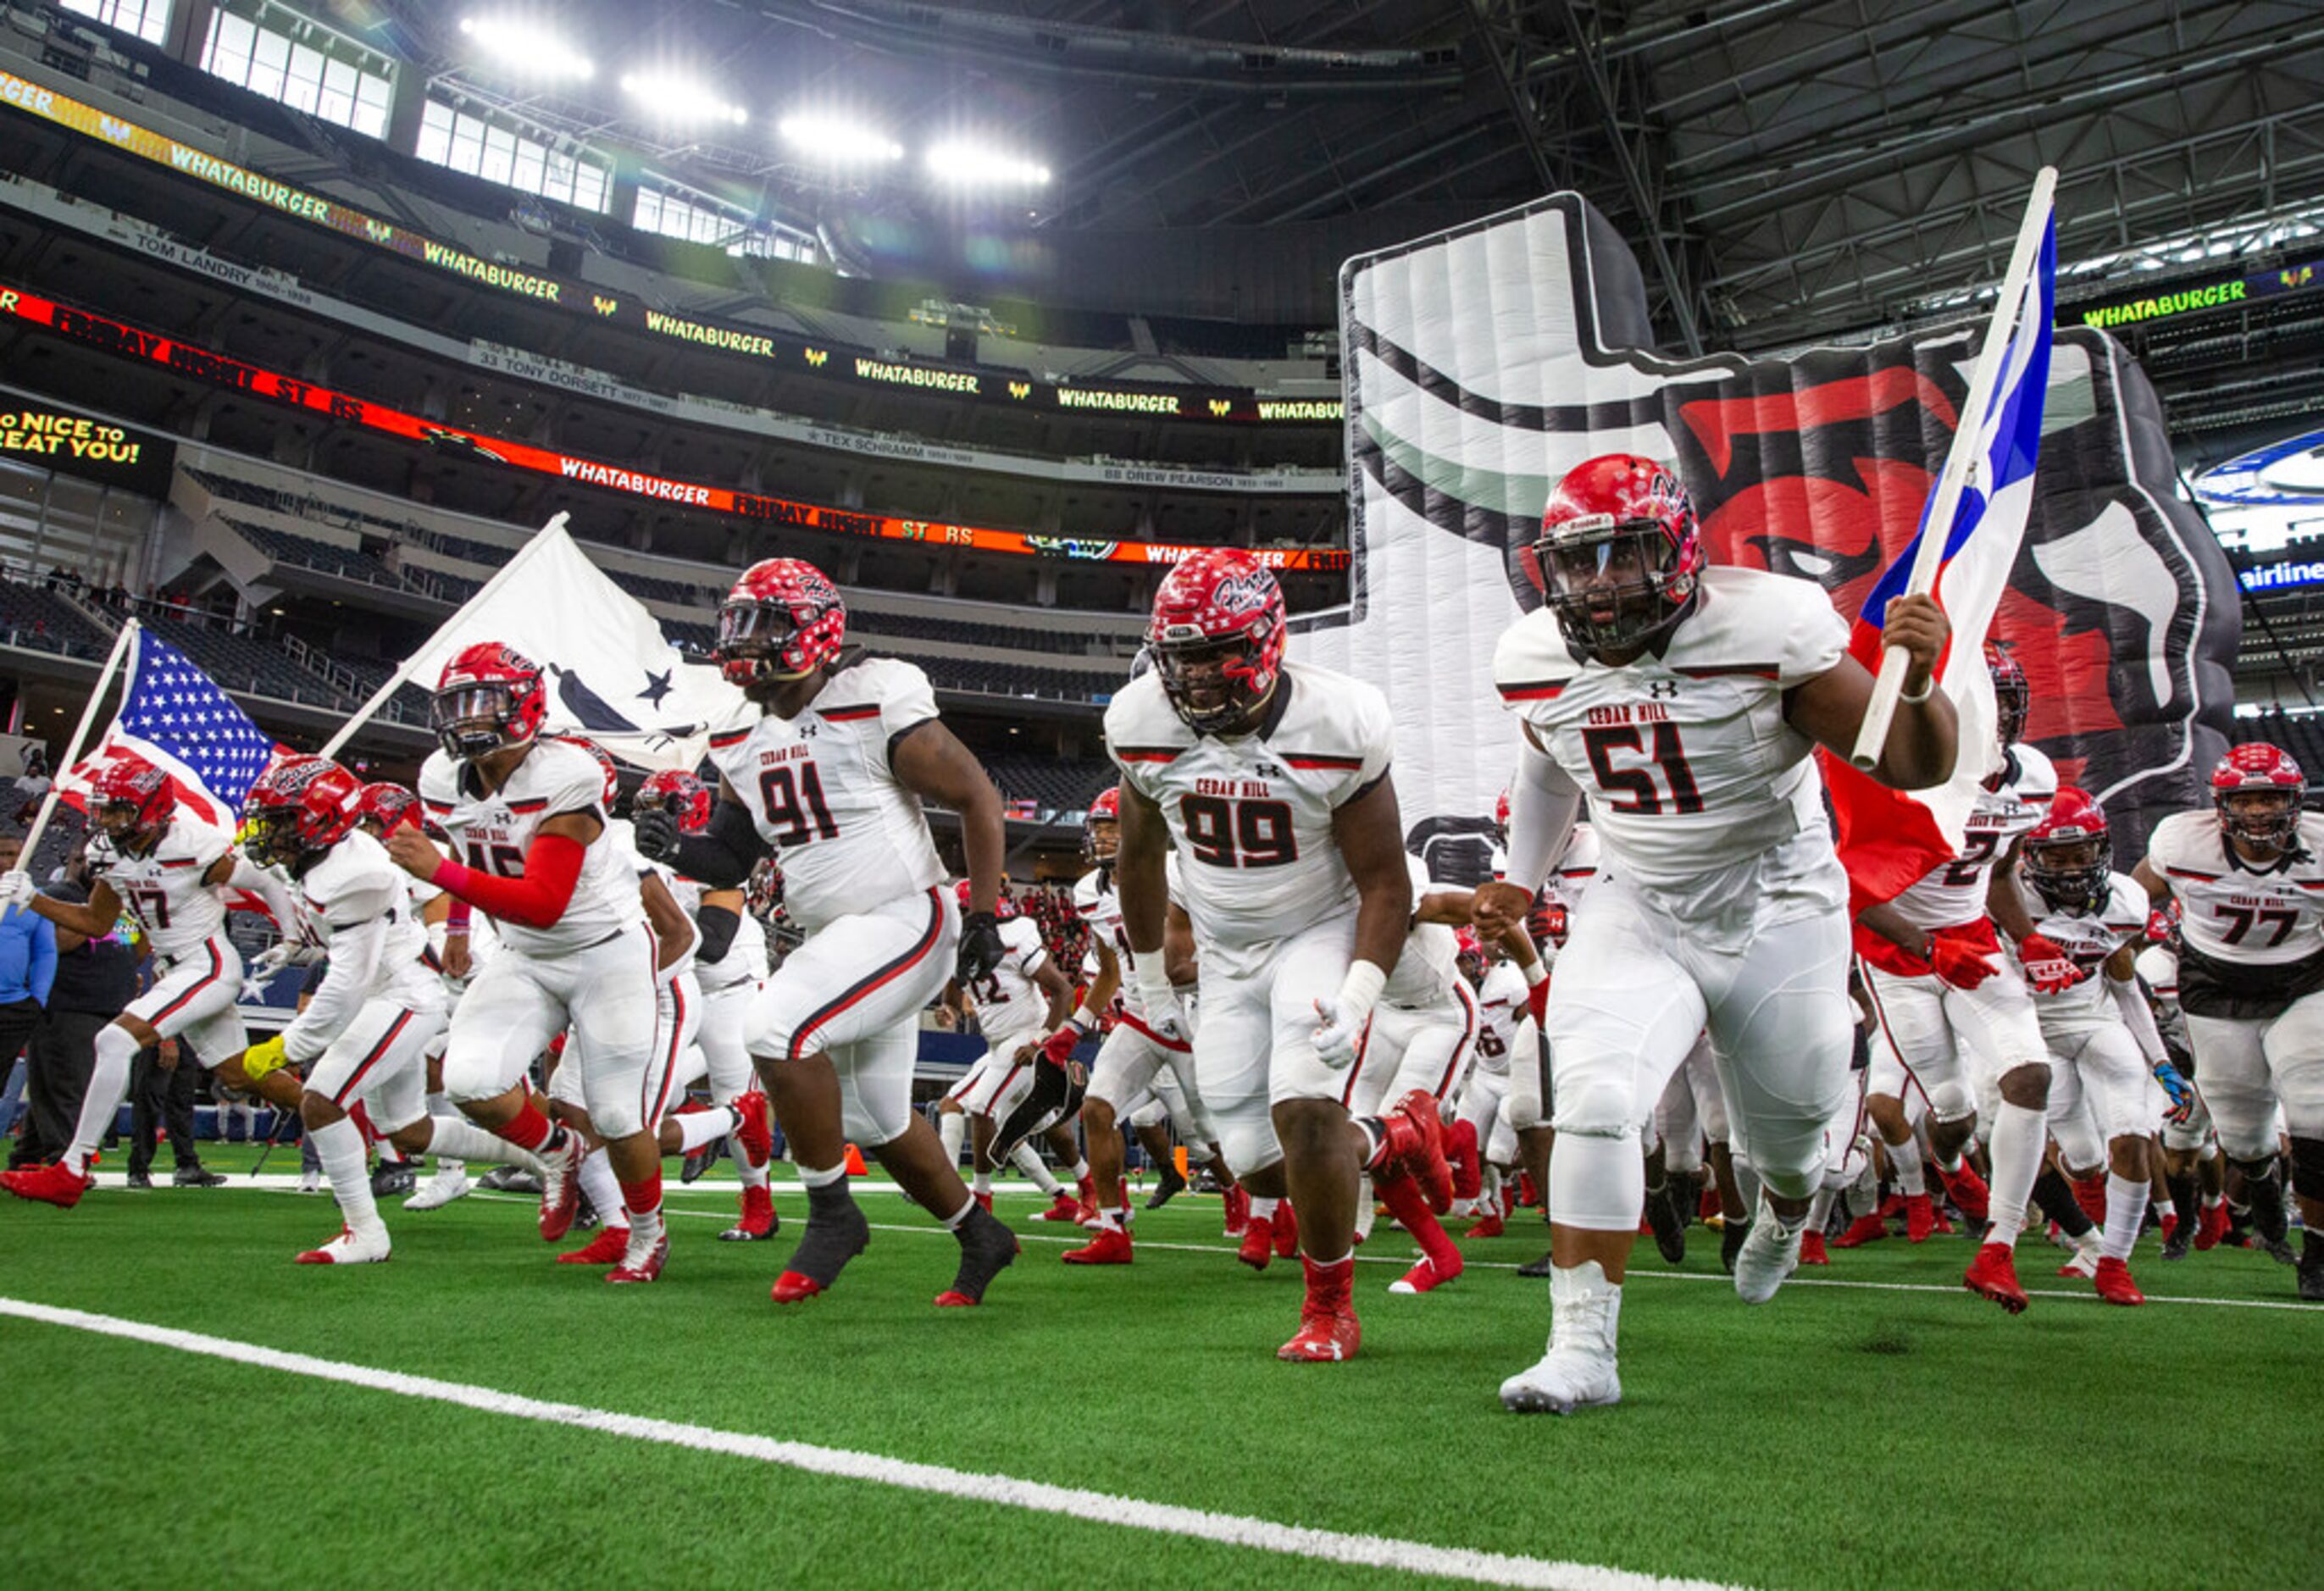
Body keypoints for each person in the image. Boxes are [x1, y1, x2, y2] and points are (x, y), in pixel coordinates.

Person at [1478, 453, 1956, 1413]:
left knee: (1783, 1143)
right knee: (1599, 1096)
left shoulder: (1765, 626)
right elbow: (1550, 762)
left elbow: (1908, 765)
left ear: (1681, 551)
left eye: (1626, 555)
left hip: (1775, 902)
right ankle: (1582, 1349)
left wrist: (1916, 685)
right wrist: (1518, 879)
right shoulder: (1531, 655)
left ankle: (1786, 1206)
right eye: (1578, 562)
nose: (1602, 583)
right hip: (1640, 898)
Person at [635, 557, 1021, 1307]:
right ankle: (981, 1234)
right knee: (875, 1115)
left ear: (816, 630)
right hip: (837, 935)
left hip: (905, 914)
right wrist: (672, 847)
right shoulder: (739, 738)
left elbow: (977, 796)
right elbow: (731, 855)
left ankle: (831, 1213)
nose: (745, 642)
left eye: (764, 625)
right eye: (737, 624)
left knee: (775, 1028)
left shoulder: (872, 694)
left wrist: (982, 915)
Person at [1105, 547, 1449, 1362]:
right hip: (1225, 948)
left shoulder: (1339, 720)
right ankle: (1393, 1137)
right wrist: (1150, 979)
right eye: (1178, 659)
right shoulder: (1139, 721)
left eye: (1212, 655)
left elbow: (1383, 882)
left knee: (1303, 1106)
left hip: (1317, 926)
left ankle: (1331, 1309)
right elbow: (1139, 859)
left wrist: (1362, 992)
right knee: (1259, 1167)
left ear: (1264, 640)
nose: (1192, 680)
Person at [389, 646, 675, 1283]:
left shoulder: (565, 773)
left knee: (617, 1115)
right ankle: (559, 1155)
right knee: (470, 1082)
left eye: (483, 703)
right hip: (525, 954)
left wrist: (437, 873)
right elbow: (476, 850)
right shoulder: (440, 777)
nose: (468, 720)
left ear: (526, 706)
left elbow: (544, 902)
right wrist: (459, 920)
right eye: (457, 705)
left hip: (604, 953)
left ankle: (649, 1234)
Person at [241, 754, 546, 1264]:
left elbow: (345, 984)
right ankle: (539, 1157)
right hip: (391, 991)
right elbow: (338, 947)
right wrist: (293, 945)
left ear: (319, 819)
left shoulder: (353, 875)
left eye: (282, 822)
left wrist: (287, 1045)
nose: (271, 833)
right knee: (408, 1130)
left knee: (321, 1100)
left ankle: (364, 1232)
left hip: (403, 996)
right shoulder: (323, 861)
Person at [0, 754, 305, 1206]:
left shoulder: (190, 845)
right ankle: (339, 1108)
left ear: (153, 811)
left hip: (207, 963)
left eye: (118, 810)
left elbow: (263, 879)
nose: (106, 819)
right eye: (104, 809)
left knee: (114, 1041)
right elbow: (96, 922)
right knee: (239, 1073)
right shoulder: (108, 851)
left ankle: (72, 1167)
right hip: (177, 967)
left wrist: (293, 936)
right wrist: (34, 900)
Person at [2133, 742, 2324, 1299]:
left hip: (2301, 983)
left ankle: (2316, 1252)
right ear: (2221, 804)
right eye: (2248, 799)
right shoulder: (2180, 842)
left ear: (2295, 802)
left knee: (2314, 1111)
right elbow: (2130, 894)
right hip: (2214, 989)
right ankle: (2260, 1194)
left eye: (2272, 798)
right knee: (2243, 1138)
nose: (2261, 812)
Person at [2011, 787, 2190, 1306]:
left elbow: (2124, 983)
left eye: (2081, 855)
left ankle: (2114, 1263)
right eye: (2057, 857)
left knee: (2132, 1137)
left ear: (2102, 849)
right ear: (2031, 856)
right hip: (2034, 1031)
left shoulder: (2127, 901)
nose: (2070, 870)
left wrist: (2160, 1063)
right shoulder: (2008, 899)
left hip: (2096, 1021)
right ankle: (2090, 1234)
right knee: (2084, 1160)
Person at [11, 855, 140, 1171]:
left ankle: (26, 1156)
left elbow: (131, 946)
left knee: (62, 1087)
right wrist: (94, 920)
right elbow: (54, 944)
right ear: (75, 862)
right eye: (89, 860)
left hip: (110, 1006)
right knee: (68, 1088)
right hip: (69, 1004)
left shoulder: (118, 901)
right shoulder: (58, 895)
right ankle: (63, 1163)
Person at [0, 833, 55, 1126]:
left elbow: (45, 952)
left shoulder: (35, 901)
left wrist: (38, 998)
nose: (11, 862)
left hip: (13, 1006)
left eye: (16, 855)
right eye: (4, 854)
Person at [124, 1035, 220, 1188]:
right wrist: (166, 1039)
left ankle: (187, 1164)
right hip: (161, 1034)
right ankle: (138, 1168)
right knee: (150, 1103)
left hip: (185, 1038)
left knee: (182, 1104)